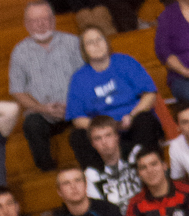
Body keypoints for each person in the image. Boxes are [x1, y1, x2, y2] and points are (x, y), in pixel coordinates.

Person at [66, 26, 170, 170]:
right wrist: (105, 128)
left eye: (99, 39)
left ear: (106, 42)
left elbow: (150, 94)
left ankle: (148, 168)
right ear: (83, 50)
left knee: (145, 120)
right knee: (77, 136)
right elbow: (77, 118)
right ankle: (99, 177)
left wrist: (132, 116)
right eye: (90, 42)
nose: (96, 44)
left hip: (133, 122)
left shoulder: (126, 62)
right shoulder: (79, 78)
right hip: (103, 131)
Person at [10, 0, 86, 171]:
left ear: (53, 20)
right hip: (43, 112)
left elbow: (87, 77)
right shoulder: (19, 52)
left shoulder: (73, 42)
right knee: (32, 124)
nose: (41, 25)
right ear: (27, 24)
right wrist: (42, 108)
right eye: (34, 21)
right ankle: (47, 172)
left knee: (91, 120)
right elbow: (17, 91)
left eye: (45, 19)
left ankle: (90, 167)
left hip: (77, 107)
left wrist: (74, 105)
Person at [83, 116, 144, 216]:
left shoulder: (137, 154)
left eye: (108, 135)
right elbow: (98, 209)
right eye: (98, 138)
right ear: (93, 144)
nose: (104, 142)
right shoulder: (91, 173)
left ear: (117, 136)